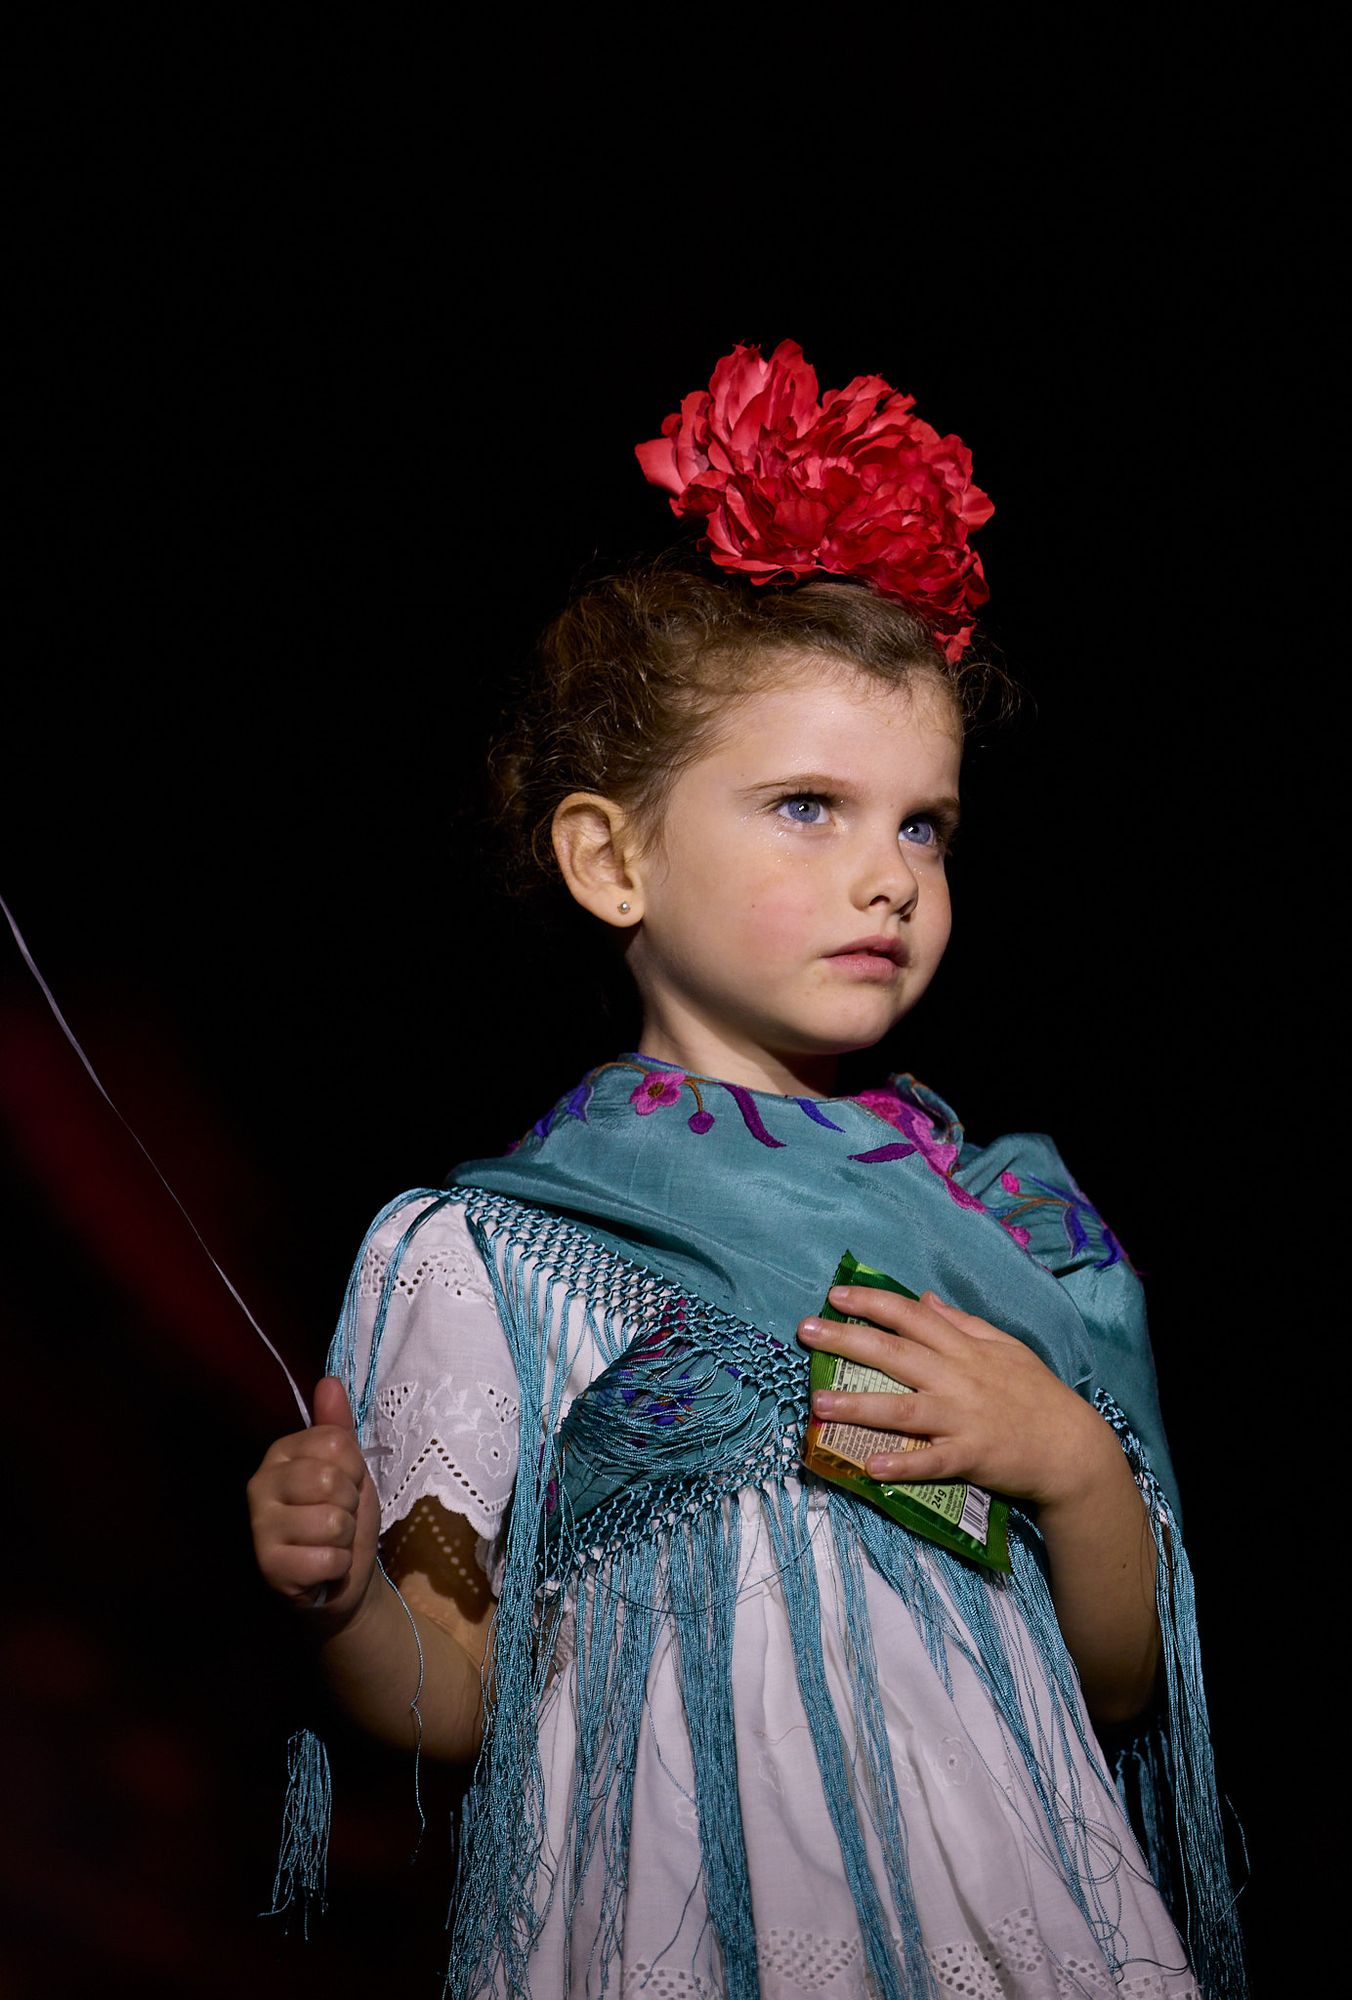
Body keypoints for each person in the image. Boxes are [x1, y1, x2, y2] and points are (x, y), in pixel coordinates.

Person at [247, 342, 1245, 1999]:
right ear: (611, 857)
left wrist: (1067, 1461)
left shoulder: (1003, 1225)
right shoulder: (490, 1253)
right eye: (807, 806)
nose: (888, 876)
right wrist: (347, 1592)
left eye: (922, 824)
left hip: (1009, 1926)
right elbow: (449, 1695)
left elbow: (1124, 1687)